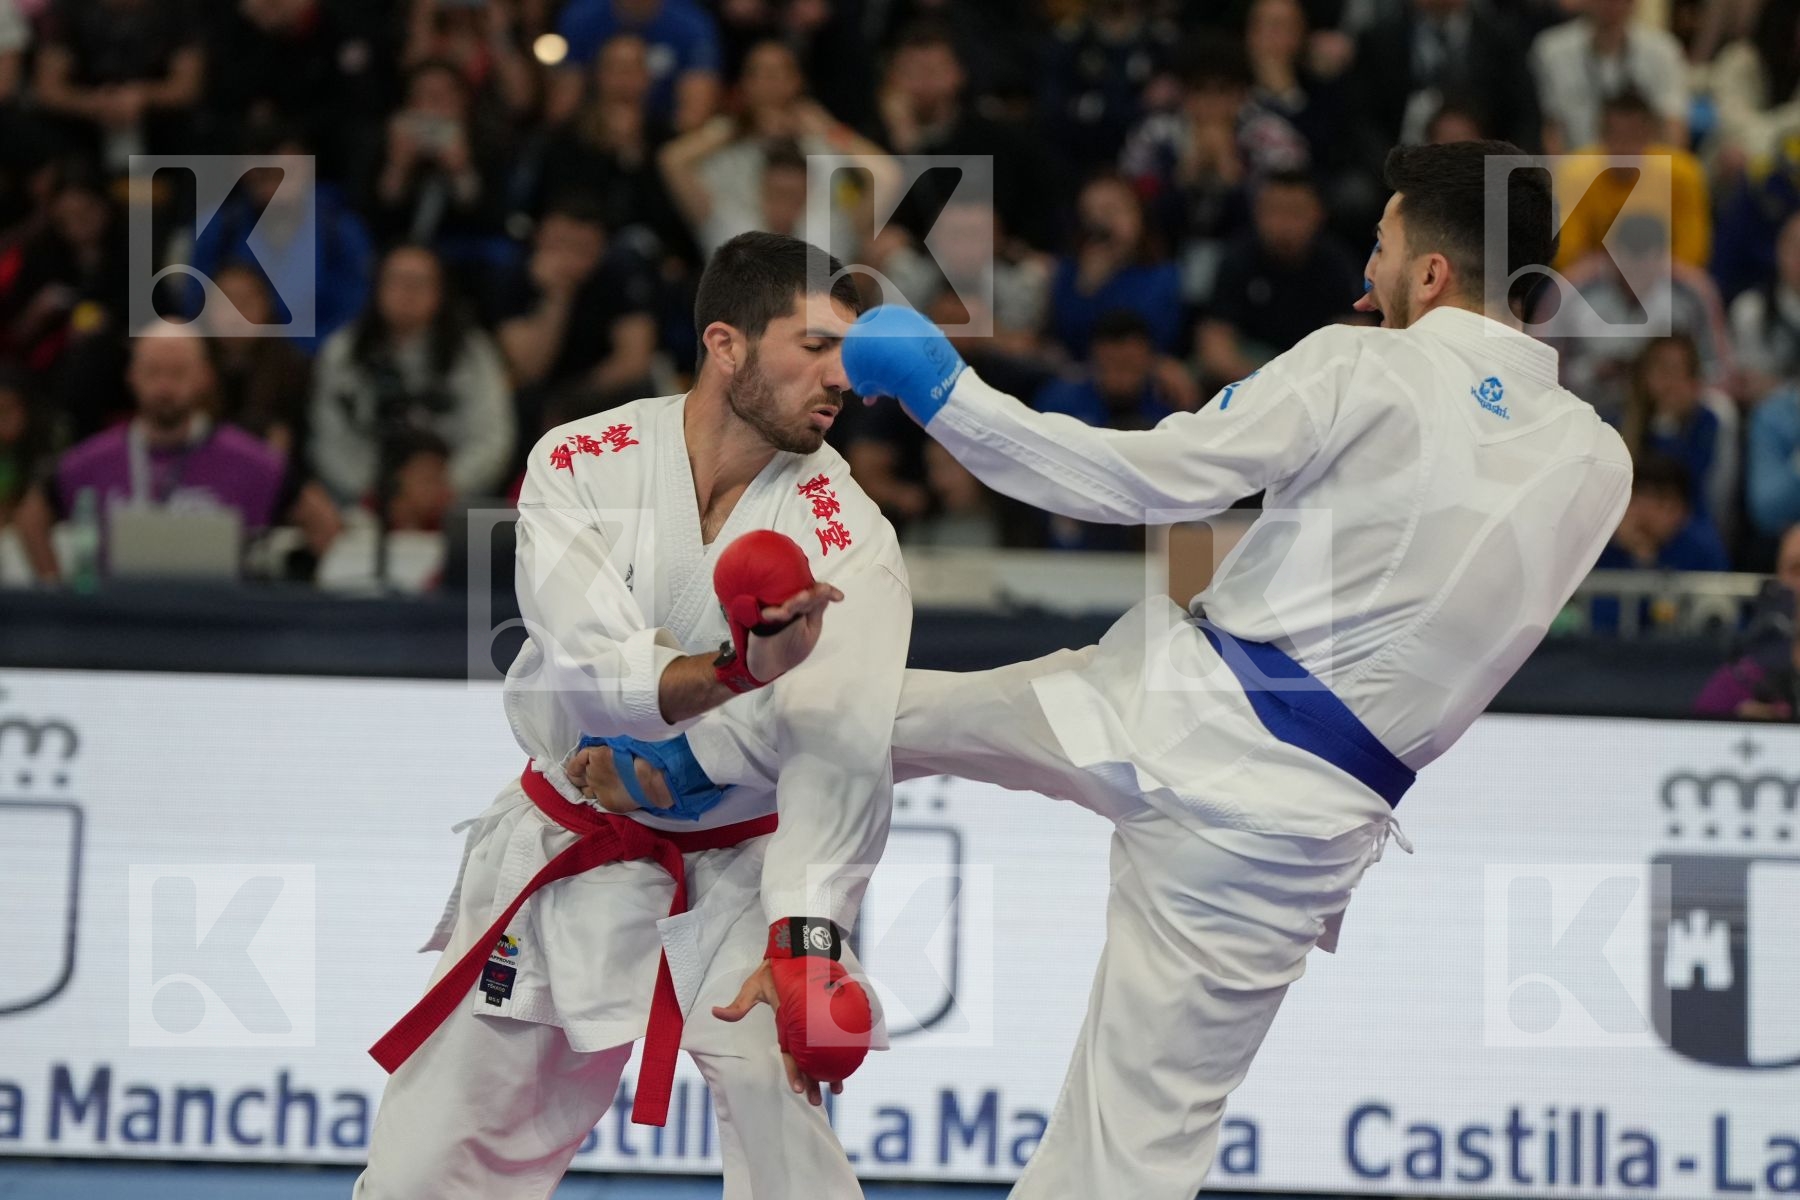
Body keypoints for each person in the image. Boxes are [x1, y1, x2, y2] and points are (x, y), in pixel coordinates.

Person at [592, 139, 1634, 1199]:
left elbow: (1138, 484)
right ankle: (702, 760)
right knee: (1131, 1153)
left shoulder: (1362, 363)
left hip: (1207, 718)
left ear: (1431, 274)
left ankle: (694, 762)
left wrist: (946, 394)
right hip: (1298, 817)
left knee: (872, 714)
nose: (1365, 274)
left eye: (1381, 247)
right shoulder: (1601, 462)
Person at [354, 231, 912, 1200]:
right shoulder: (580, 461)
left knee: (788, 1143)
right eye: (816, 346)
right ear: (725, 343)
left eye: (852, 355)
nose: (844, 378)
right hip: (571, 841)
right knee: (425, 1172)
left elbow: (842, 738)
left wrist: (808, 936)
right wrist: (740, 673)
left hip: (740, 870)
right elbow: (589, 664)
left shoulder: (851, 530)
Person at [13, 329, 289, 582]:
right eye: (153, 372)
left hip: (220, 622)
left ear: (205, 377)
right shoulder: (88, 462)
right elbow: (30, 517)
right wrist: (56, 592)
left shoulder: (253, 462)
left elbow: (323, 524)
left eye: (178, 373)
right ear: (131, 376)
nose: (164, 387)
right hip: (117, 622)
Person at [308, 244, 513, 505]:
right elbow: (328, 441)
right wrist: (378, 496)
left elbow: (492, 439)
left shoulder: (473, 353)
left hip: (452, 502)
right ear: (377, 287)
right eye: (397, 280)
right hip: (358, 503)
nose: (408, 292)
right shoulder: (342, 352)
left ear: (440, 291)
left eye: (420, 282)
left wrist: (446, 488)